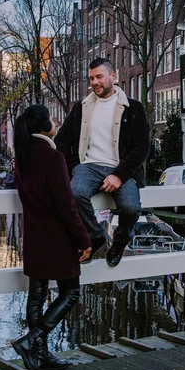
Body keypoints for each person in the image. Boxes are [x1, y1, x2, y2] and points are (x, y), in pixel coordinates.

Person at [11, 104, 91, 370]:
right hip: (57, 237)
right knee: (71, 292)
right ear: (46, 127)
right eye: (52, 119)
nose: (56, 122)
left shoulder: (22, 155)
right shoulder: (52, 157)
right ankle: (32, 341)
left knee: (36, 294)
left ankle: (40, 357)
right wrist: (83, 239)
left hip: (33, 235)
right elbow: (67, 206)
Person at [55, 57, 150, 267]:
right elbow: (61, 140)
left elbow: (142, 147)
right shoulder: (82, 107)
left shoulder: (133, 108)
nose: (95, 82)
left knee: (131, 209)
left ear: (113, 77)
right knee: (74, 193)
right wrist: (74, 168)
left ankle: (119, 243)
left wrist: (119, 175)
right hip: (89, 166)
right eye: (91, 78)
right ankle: (95, 235)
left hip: (121, 168)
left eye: (99, 76)